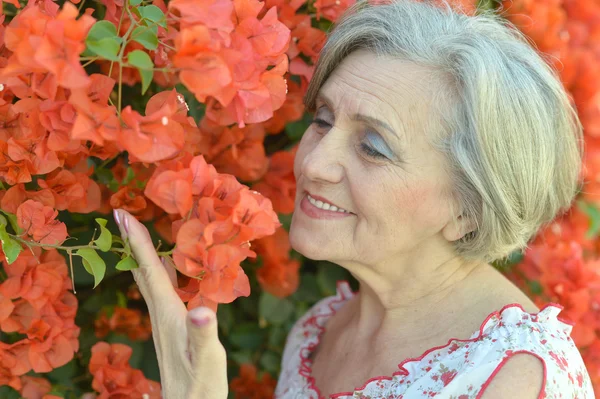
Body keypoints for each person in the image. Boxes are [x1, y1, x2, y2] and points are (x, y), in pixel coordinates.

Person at [112, 0, 595, 397]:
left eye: (373, 147)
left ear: (469, 208)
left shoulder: (516, 379)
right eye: (322, 120)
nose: (314, 164)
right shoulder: (317, 332)